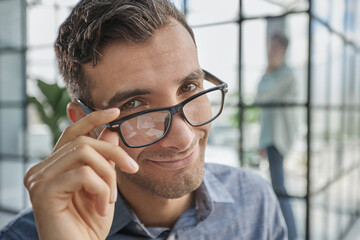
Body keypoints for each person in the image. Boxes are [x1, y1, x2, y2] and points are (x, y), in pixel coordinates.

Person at [1, 1, 288, 239]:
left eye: (188, 87)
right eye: (135, 106)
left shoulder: (256, 202)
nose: (184, 138)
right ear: (85, 124)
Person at [256, 32, 298, 240]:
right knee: (278, 188)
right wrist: (262, 141)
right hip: (271, 139)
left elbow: (264, 97)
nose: (270, 51)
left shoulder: (287, 74)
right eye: (269, 47)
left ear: (282, 49)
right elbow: (259, 99)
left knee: (279, 189)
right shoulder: (270, 73)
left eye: (274, 47)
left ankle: (291, 234)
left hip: (279, 139)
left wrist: (268, 74)